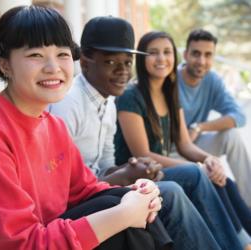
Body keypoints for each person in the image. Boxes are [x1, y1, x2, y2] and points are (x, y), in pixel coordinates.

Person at [0, 6, 167, 250]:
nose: (53, 67)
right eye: (35, 55)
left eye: (62, 54)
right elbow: (22, 244)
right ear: (5, 65)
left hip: (48, 233)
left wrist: (137, 192)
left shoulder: (52, 124)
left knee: (125, 200)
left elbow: (85, 190)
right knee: (120, 215)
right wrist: (124, 214)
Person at [51, 16, 240, 250]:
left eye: (127, 63)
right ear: (86, 62)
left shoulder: (108, 102)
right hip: (80, 203)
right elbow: (60, 186)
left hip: (103, 187)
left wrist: (135, 168)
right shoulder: (69, 104)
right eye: (111, 62)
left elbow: (108, 163)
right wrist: (125, 175)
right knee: (172, 191)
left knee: (201, 176)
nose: (122, 71)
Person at [114, 30, 251, 250]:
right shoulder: (131, 95)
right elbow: (143, 154)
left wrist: (209, 159)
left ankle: (245, 243)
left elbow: (184, 144)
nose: (161, 58)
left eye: (167, 52)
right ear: (142, 58)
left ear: (175, 57)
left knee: (219, 177)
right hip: (139, 175)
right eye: (153, 53)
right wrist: (197, 166)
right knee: (197, 173)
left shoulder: (170, 92)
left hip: (160, 169)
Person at [177, 29, 251, 208]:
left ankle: (249, 205)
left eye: (208, 55)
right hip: (169, 150)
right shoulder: (171, 79)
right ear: (186, 54)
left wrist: (199, 127)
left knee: (231, 135)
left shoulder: (212, 80)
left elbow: (239, 116)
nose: (202, 61)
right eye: (196, 54)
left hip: (195, 145)